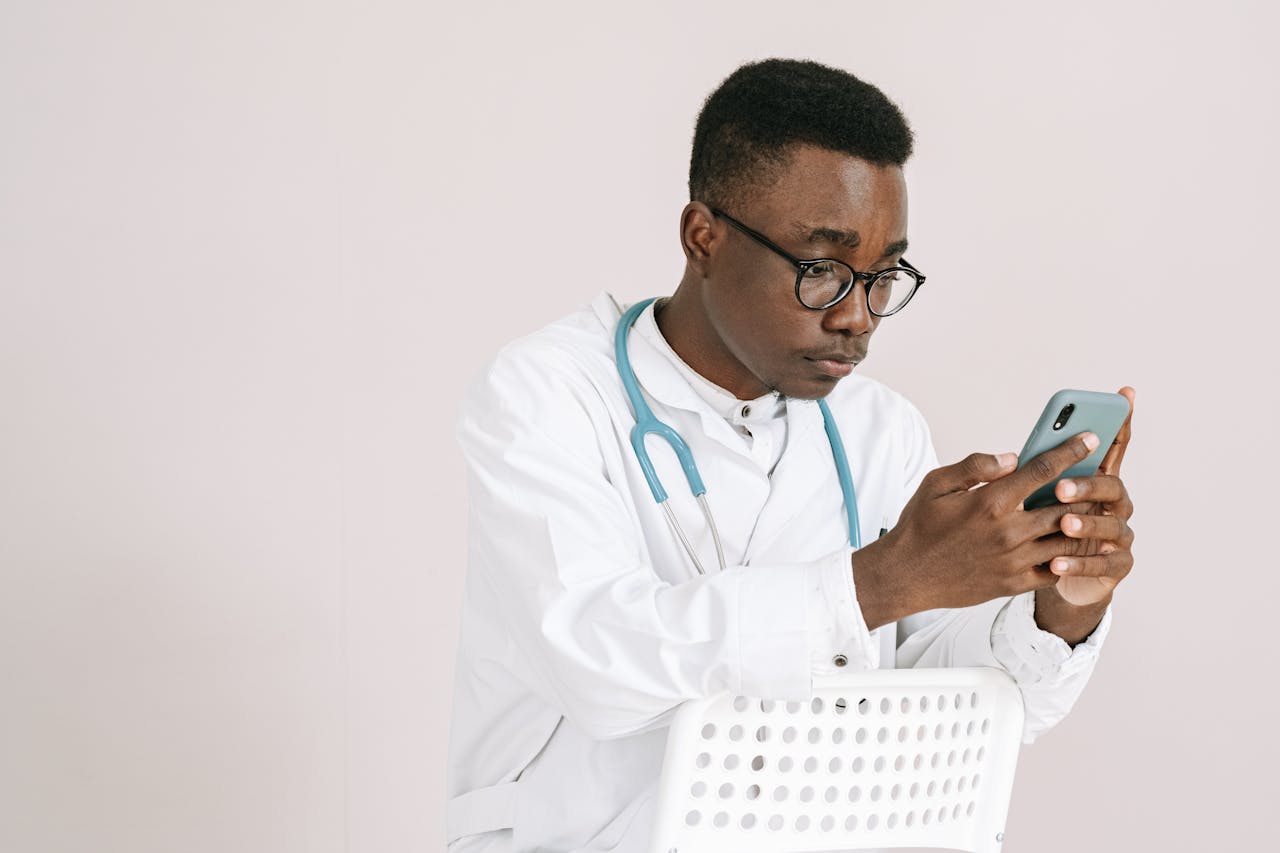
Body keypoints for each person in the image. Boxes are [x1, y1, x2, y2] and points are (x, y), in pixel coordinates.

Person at [444, 58, 1136, 852]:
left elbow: (955, 700)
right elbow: (595, 660)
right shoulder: (546, 393)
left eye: (882, 276)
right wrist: (883, 580)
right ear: (702, 236)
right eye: (822, 269)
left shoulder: (881, 426)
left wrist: (1062, 606)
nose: (857, 316)